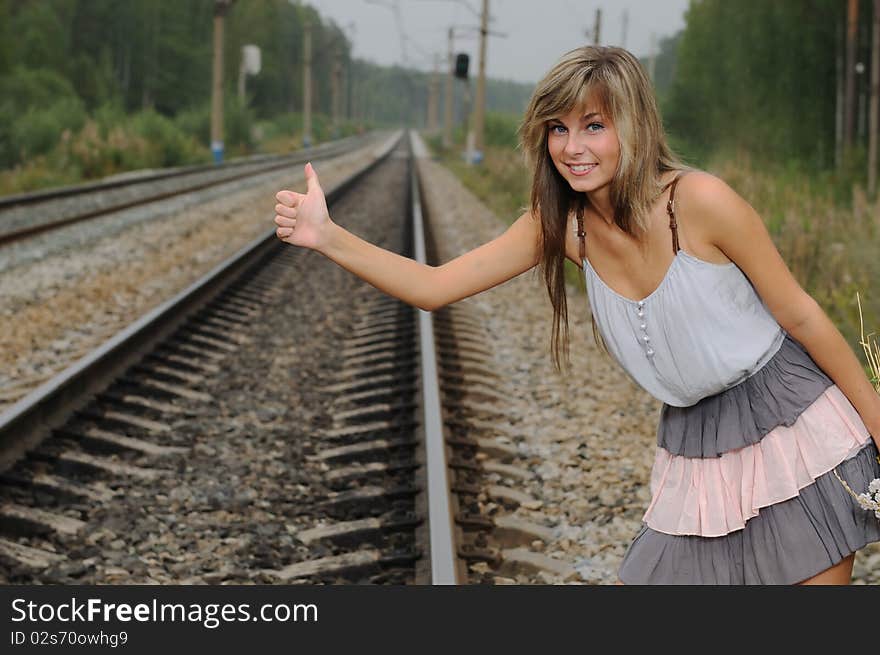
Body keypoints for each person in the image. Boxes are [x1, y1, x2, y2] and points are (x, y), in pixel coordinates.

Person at [273, 46, 880, 585]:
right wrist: (328, 237)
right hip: (694, 442)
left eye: (594, 125)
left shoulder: (700, 202)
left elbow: (801, 315)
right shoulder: (561, 226)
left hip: (792, 421)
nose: (573, 147)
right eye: (558, 128)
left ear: (633, 125)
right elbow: (436, 287)